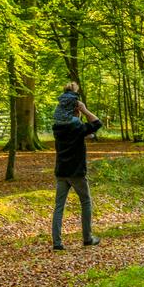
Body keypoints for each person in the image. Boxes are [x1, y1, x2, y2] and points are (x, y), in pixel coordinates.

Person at [51, 84, 102, 250]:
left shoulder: (57, 127)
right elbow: (97, 123)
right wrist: (85, 110)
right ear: (75, 109)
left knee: (59, 207)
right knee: (86, 202)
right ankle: (87, 238)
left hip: (61, 171)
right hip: (76, 172)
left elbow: (86, 132)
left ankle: (57, 243)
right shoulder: (77, 127)